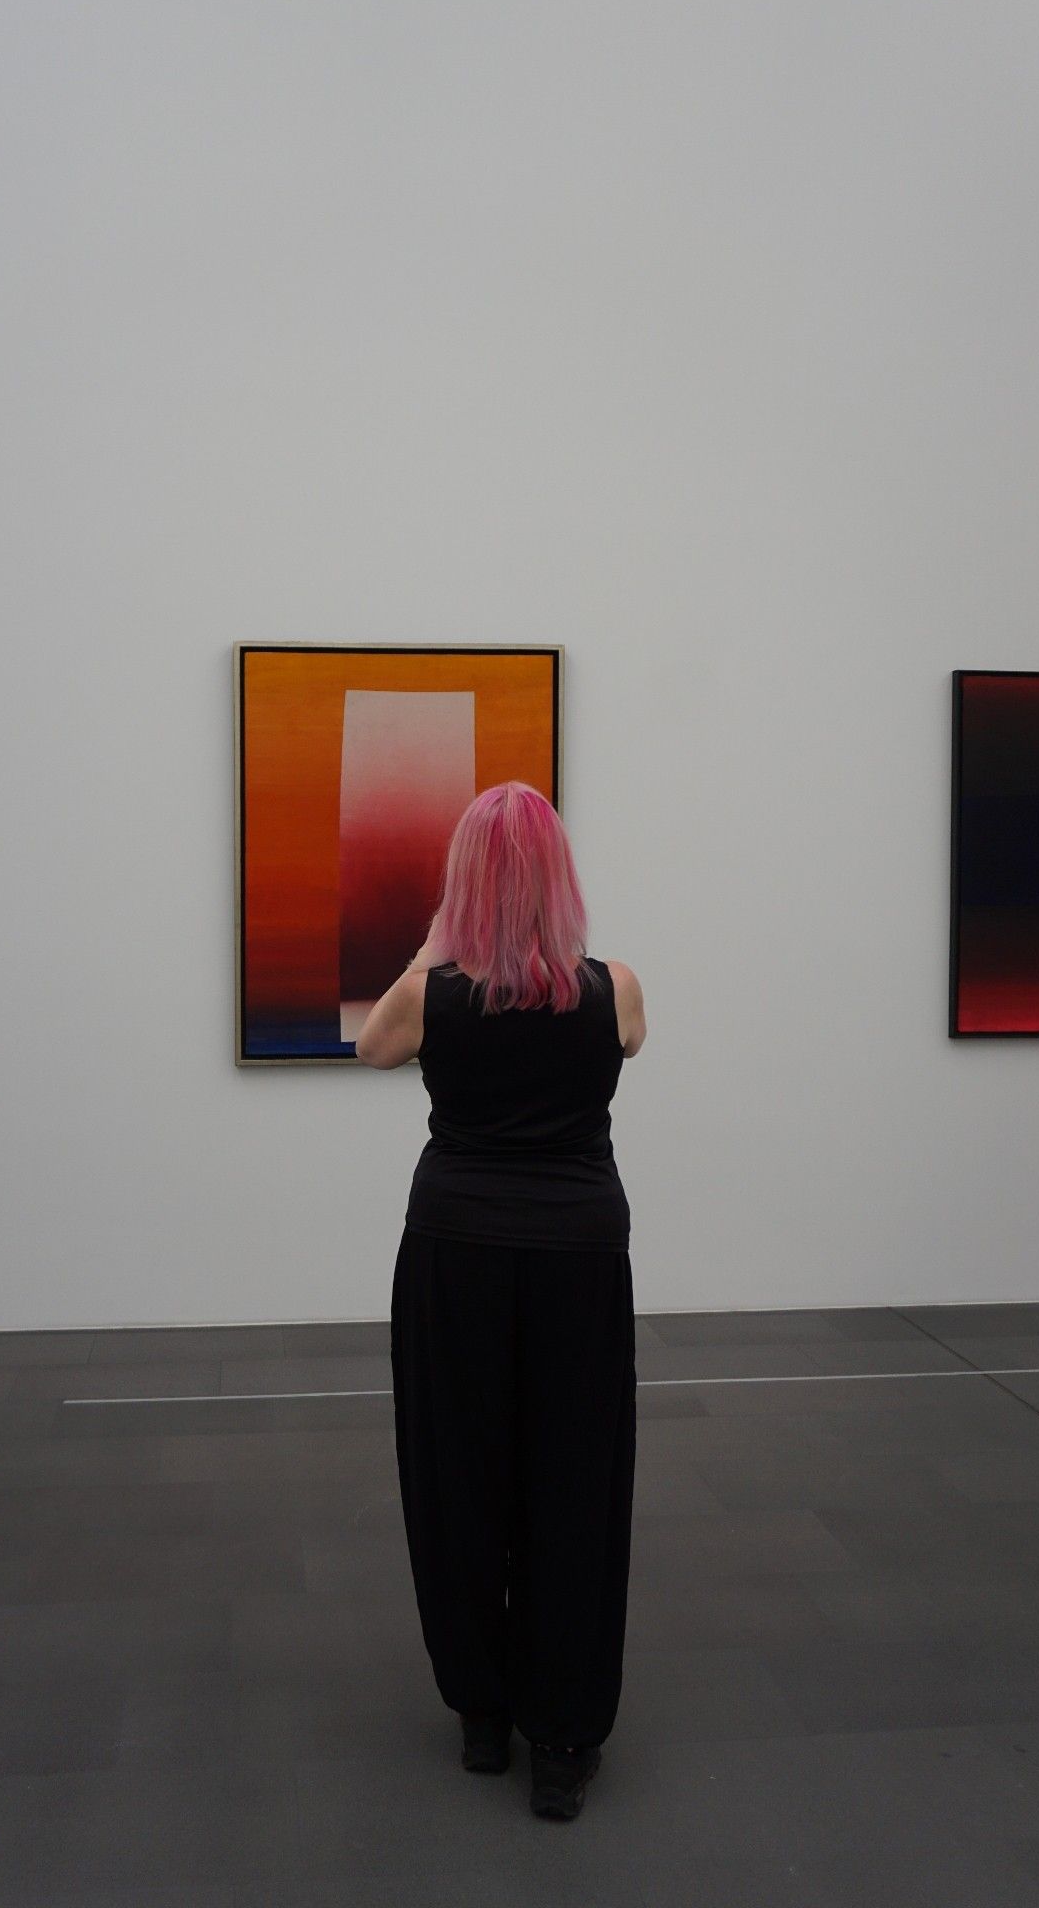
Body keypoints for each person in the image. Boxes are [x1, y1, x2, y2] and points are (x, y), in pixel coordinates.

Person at [355, 780, 645, 1823]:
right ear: (560, 876)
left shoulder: (434, 991)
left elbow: (370, 1047)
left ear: (464, 881)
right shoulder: (616, 986)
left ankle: (482, 1709)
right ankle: (560, 1740)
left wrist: (442, 940)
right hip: (576, 1252)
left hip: (456, 1250)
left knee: (459, 1474)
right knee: (574, 1483)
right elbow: (628, 1044)